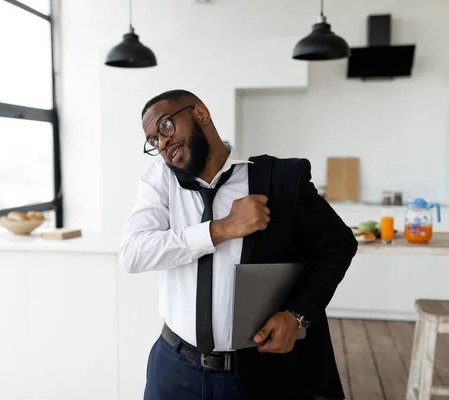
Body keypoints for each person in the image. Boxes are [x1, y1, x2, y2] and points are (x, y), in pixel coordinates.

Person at [118, 89, 358, 400]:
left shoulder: (279, 180)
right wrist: (221, 229)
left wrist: (297, 315)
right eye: (153, 140)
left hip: (251, 375)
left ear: (201, 114)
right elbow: (132, 254)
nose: (161, 143)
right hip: (173, 368)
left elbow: (338, 245)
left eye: (165, 126)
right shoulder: (160, 181)